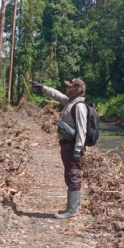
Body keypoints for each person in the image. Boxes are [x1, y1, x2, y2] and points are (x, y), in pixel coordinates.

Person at [30, 78, 88, 219]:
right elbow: (56, 94)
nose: (66, 89)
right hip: (66, 145)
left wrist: (77, 150)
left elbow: (82, 130)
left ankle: (72, 210)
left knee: (73, 175)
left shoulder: (79, 106)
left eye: (69, 87)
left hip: (73, 146)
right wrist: (42, 87)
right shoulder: (70, 102)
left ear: (75, 89)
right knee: (69, 174)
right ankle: (71, 207)